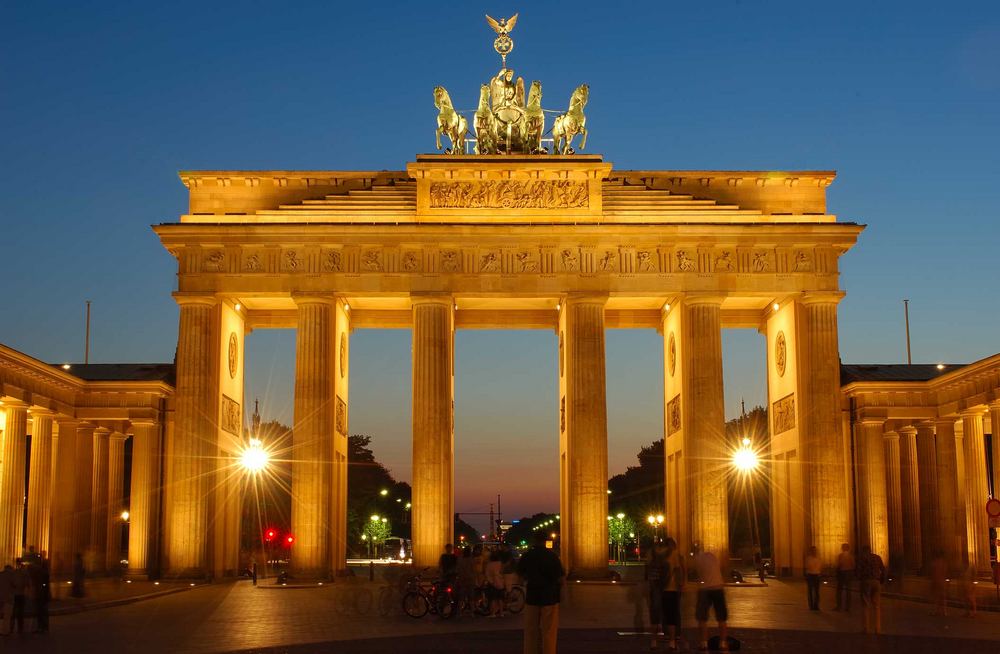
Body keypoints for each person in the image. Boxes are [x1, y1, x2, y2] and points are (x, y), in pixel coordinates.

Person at [517, 530, 564, 654]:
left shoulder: (527, 555)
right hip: (549, 596)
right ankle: (549, 651)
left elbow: (520, 577)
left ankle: (530, 651)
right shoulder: (552, 556)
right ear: (546, 541)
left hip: (532, 596)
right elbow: (560, 578)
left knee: (530, 629)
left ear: (534, 540)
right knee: (549, 630)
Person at [693, 543, 728, 652]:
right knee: (721, 617)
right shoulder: (714, 556)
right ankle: (722, 643)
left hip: (705, 589)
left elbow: (696, 574)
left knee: (702, 618)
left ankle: (703, 643)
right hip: (718, 587)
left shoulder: (697, 559)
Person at [856, 545, 885, 634]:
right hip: (876, 581)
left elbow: (858, 571)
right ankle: (878, 629)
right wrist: (881, 580)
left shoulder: (861, 559)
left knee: (865, 605)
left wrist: (859, 578)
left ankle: (866, 628)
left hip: (866, 581)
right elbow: (883, 569)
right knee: (876, 606)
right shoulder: (877, 557)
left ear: (864, 551)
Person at [646, 540, 669, 649]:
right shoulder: (663, 564)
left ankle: (654, 639)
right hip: (659, 590)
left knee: (655, 614)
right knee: (660, 613)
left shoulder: (652, 563)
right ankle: (664, 636)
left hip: (656, 590)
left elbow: (648, 578)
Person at [27, 558, 50, 633]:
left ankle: (42, 627)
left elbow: (43, 585)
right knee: (42, 612)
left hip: (41, 595)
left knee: (41, 611)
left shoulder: (42, 573)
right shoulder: (44, 573)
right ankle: (43, 627)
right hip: (42, 595)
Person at [9, 559, 28, 635]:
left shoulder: (14, 572)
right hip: (19, 594)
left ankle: (13, 628)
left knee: (15, 613)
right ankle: (18, 628)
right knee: (18, 613)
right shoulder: (22, 573)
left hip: (17, 594)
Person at [834, 543, 855, 612]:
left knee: (839, 590)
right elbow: (853, 565)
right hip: (849, 573)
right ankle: (848, 607)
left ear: (843, 548)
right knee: (848, 590)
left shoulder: (841, 556)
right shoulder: (851, 556)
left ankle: (839, 606)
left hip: (842, 573)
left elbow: (839, 564)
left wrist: (836, 571)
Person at [485, 549, 505, 617]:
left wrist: (491, 582)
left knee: (493, 598)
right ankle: (501, 613)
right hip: (500, 583)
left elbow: (487, 574)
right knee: (500, 599)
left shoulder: (489, 564)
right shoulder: (500, 563)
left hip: (493, 583)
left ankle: (493, 613)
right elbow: (503, 572)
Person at [929, 550, 948, 616]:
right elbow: (945, 572)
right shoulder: (944, 563)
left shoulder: (934, 563)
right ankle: (944, 611)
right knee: (943, 598)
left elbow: (932, 573)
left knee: (936, 598)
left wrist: (932, 581)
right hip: (942, 581)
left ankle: (935, 611)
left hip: (936, 581)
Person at [804, 546, 822, 611]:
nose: (814, 552)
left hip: (817, 575)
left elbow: (820, 566)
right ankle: (811, 606)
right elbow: (808, 566)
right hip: (810, 575)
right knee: (810, 591)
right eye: (813, 551)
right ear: (811, 551)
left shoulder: (818, 558)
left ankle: (816, 605)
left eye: (815, 550)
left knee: (817, 592)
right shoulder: (808, 558)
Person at [0, 564, 13, 635]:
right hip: (8, 598)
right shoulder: (12, 576)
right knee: (7, 616)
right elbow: (16, 585)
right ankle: (5, 631)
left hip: (1, 598)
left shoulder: (1, 575)